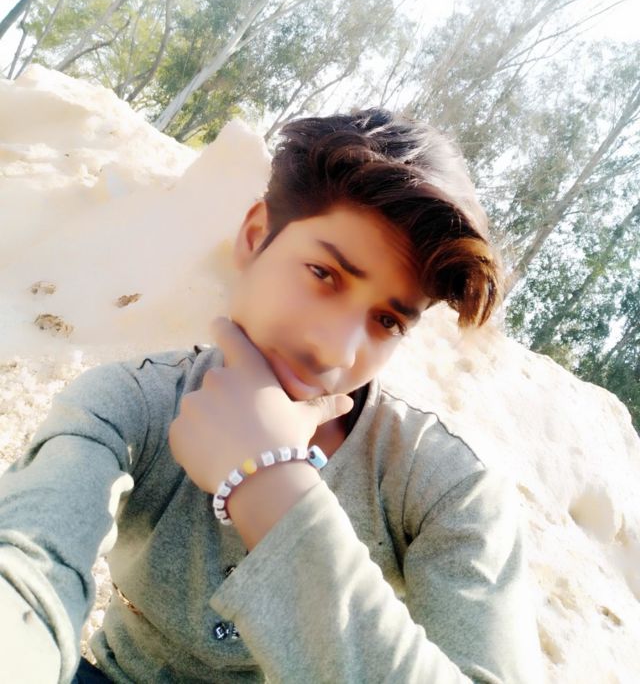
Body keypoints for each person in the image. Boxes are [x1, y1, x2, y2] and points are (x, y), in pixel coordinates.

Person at [0, 108, 545, 683]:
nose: (336, 350)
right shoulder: (130, 402)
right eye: (323, 274)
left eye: (387, 321)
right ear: (256, 236)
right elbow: (26, 579)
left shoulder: (447, 490)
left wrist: (269, 484)